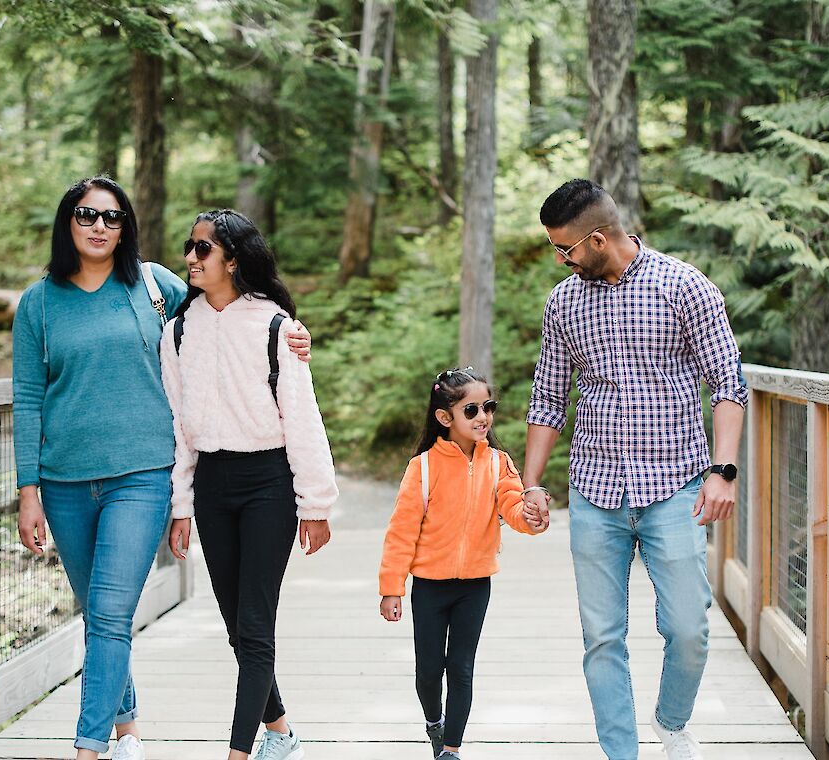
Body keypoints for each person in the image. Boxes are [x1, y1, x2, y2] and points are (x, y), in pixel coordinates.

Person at [12, 180, 311, 760]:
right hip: (64, 480)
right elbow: (27, 396)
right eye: (86, 214)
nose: (99, 226)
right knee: (99, 612)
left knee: (111, 613)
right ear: (66, 222)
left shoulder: (153, 285)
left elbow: (228, 311)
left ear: (126, 227)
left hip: (144, 474)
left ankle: (88, 747)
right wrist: (29, 490)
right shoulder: (39, 304)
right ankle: (128, 732)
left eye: (113, 217)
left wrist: (290, 332)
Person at [521, 179, 748, 760]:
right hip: (596, 492)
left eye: (565, 248)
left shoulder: (685, 287)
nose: (560, 259)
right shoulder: (563, 302)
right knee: (602, 638)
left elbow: (728, 383)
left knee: (689, 629)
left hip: (675, 486)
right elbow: (548, 396)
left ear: (597, 239)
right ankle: (621, 754)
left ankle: (672, 722)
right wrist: (531, 483)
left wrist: (723, 471)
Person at [160, 209, 338, 760]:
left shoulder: (276, 327)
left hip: (268, 484)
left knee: (255, 625)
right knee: (237, 625)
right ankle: (281, 732)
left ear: (232, 260)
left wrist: (316, 504)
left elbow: (302, 417)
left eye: (203, 249)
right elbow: (178, 426)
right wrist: (180, 504)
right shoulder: (179, 329)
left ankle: (239, 752)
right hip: (213, 484)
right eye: (189, 247)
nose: (191, 258)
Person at [378, 367, 548, 759]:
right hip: (430, 586)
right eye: (471, 410)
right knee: (428, 672)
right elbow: (401, 532)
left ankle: (451, 749)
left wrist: (532, 518)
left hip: (475, 584)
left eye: (488, 407)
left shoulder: (498, 463)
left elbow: (514, 508)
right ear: (445, 417)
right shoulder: (421, 468)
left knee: (461, 668)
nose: (483, 417)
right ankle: (434, 722)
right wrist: (392, 588)